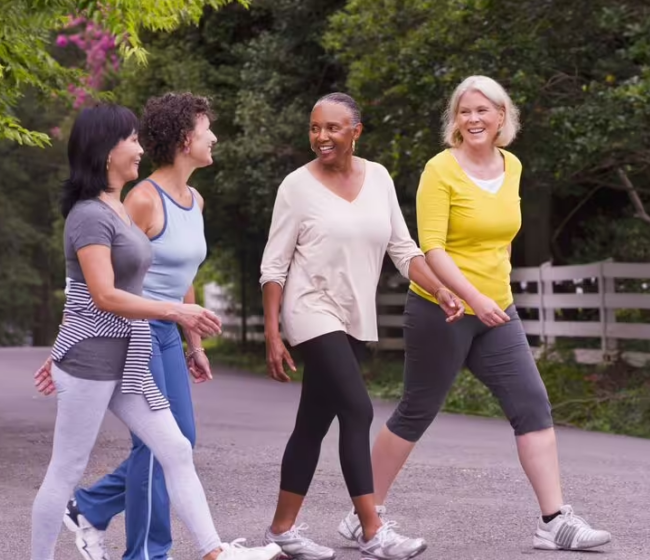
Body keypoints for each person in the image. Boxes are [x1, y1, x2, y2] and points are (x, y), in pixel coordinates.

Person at [336, 75, 612, 552]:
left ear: (502, 117)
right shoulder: (439, 170)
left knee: (532, 404)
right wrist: (471, 297)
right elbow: (433, 250)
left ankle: (554, 521)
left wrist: (492, 296)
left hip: (496, 311)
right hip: (441, 311)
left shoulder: (514, 166)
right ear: (455, 120)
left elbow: (500, 239)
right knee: (417, 410)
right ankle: (366, 514)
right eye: (465, 111)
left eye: (484, 110)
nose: (474, 119)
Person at [30, 102, 281, 560]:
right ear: (107, 150)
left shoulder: (116, 210)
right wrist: (177, 314)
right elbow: (101, 294)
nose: (141, 148)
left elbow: (101, 287)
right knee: (65, 471)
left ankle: (214, 552)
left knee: (176, 449)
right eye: (131, 139)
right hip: (91, 364)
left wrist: (186, 333)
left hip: (129, 356)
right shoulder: (90, 214)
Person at [258, 92, 464, 560]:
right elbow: (274, 266)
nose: (321, 137)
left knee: (312, 423)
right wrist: (274, 332)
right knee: (357, 410)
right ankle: (372, 529)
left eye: (332, 127)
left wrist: (442, 290)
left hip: (353, 315)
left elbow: (403, 249)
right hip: (310, 309)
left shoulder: (379, 178)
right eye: (314, 128)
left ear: (356, 130)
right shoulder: (296, 186)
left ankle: (281, 529)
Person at [42, 92, 218, 560]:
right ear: (186, 139)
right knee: (155, 448)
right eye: (207, 130)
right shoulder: (139, 199)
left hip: (167, 330)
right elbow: (109, 280)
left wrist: (193, 342)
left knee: (180, 442)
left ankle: (92, 507)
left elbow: (184, 278)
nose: (214, 137)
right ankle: (145, 552)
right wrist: (67, 343)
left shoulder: (195, 200)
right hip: (138, 330)